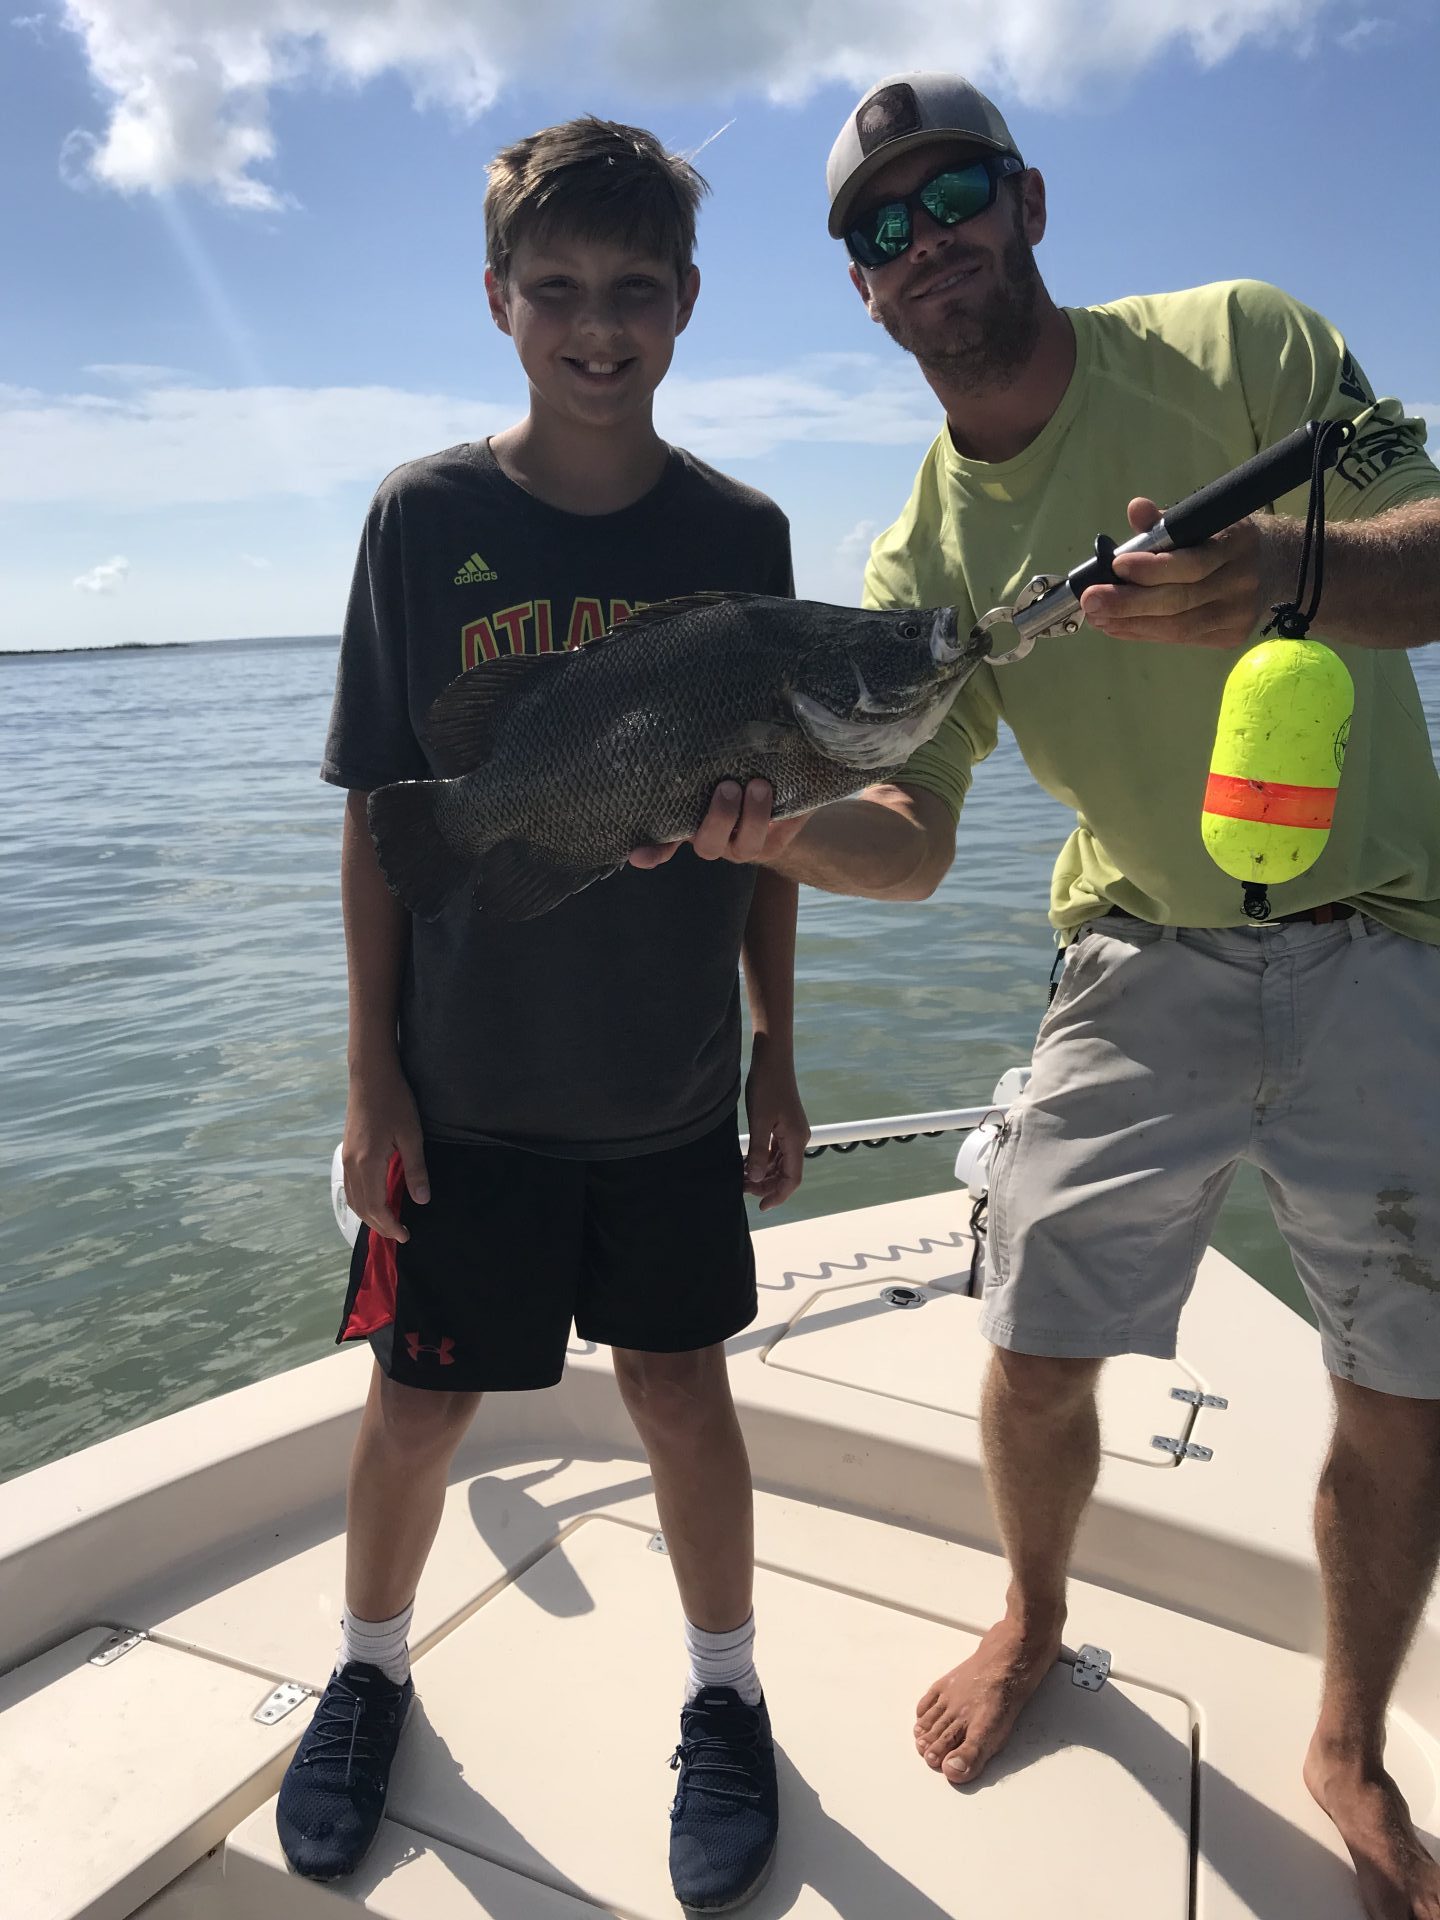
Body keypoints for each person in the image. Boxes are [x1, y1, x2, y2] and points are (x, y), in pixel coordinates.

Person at [635, 72, 1440, 1920]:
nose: (931, 248)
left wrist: (1277, 575)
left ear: (1034, 200)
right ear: (861, 292)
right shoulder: (925, 551)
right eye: (882, 232)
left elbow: (1439, 548)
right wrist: (754, 834)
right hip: (1139, 952)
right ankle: (1034, 1616)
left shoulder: (1244, 344)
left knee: (1403, 1382)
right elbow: (913, 831)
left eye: (960, 197)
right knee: (1034, 1340)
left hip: (1388, 931)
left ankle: (1348, 1741)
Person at [277, 116, 806, 1911]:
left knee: (682, 1391)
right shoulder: (424, 519)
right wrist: (371, 1077)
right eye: (559, 290)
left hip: (665, 1090)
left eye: (634, 291)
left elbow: (778, 836)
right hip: (467, 1087)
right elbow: (380, 814)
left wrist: (776, 1060)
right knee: (418, 1411)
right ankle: (366, 1670)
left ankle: (726, 1699)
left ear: (688, 306)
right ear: (499, 300)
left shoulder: (743, 532)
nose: (598, 326)